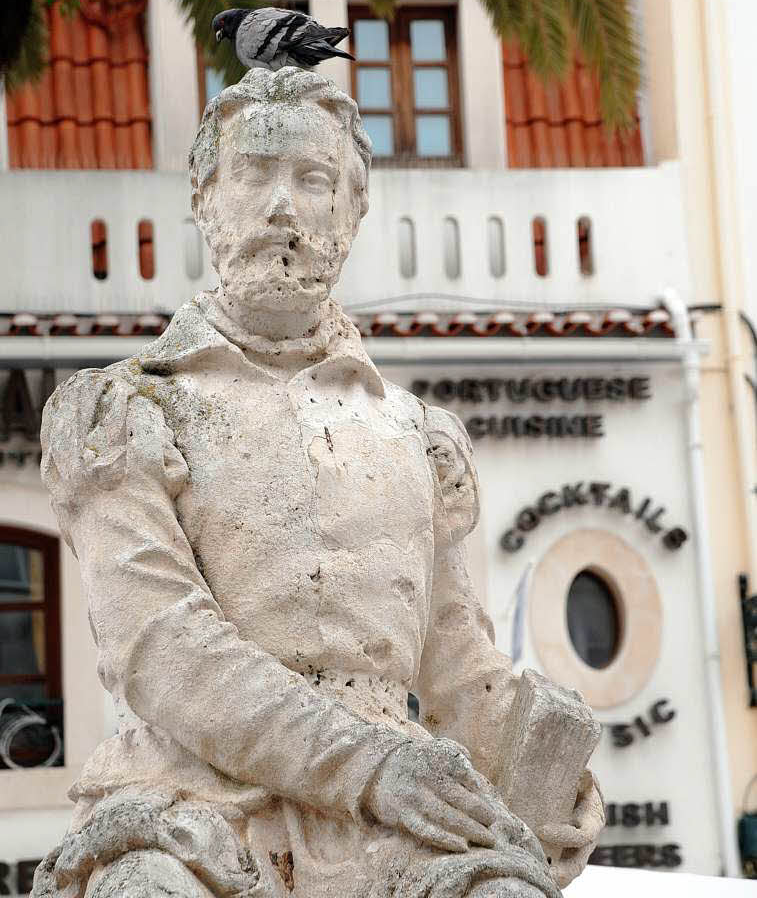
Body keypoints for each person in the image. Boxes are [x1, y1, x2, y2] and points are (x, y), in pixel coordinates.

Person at [34, 69, 603, 898]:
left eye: (313, 180)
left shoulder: (415, 433)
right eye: (255, 174)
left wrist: (543, 763)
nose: (283, 207)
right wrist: (370, 765)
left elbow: (450, 658)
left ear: (351, 211)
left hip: (389, 828)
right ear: (206, 197)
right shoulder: (123, 409)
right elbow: (160, 649)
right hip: (191, 806)